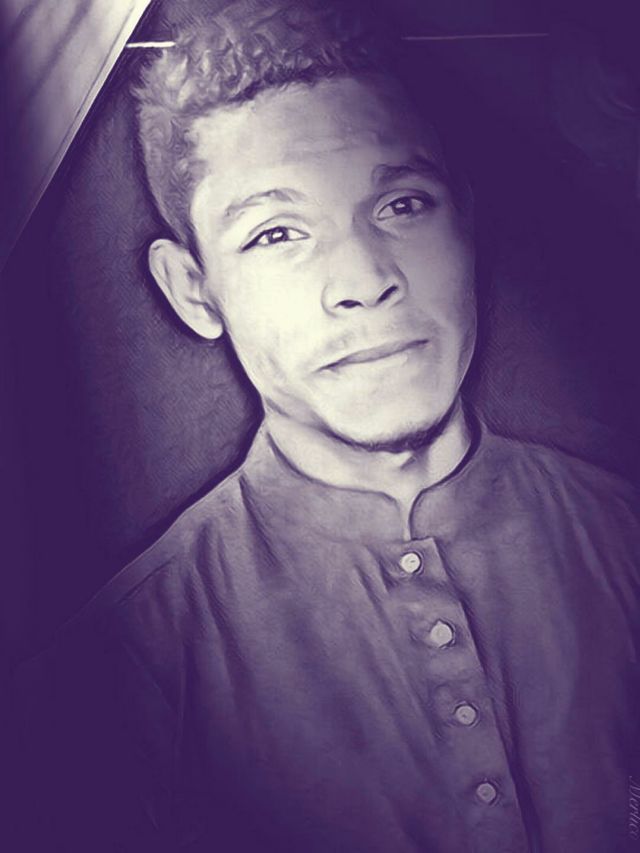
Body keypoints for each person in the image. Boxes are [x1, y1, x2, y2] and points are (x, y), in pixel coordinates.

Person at [13, 1, 640, 851]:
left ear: (466, 222)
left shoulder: (623, 539)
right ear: (194, 289)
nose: (363, 279)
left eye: (403, 204)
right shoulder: (116, 674)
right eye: (277, 232)